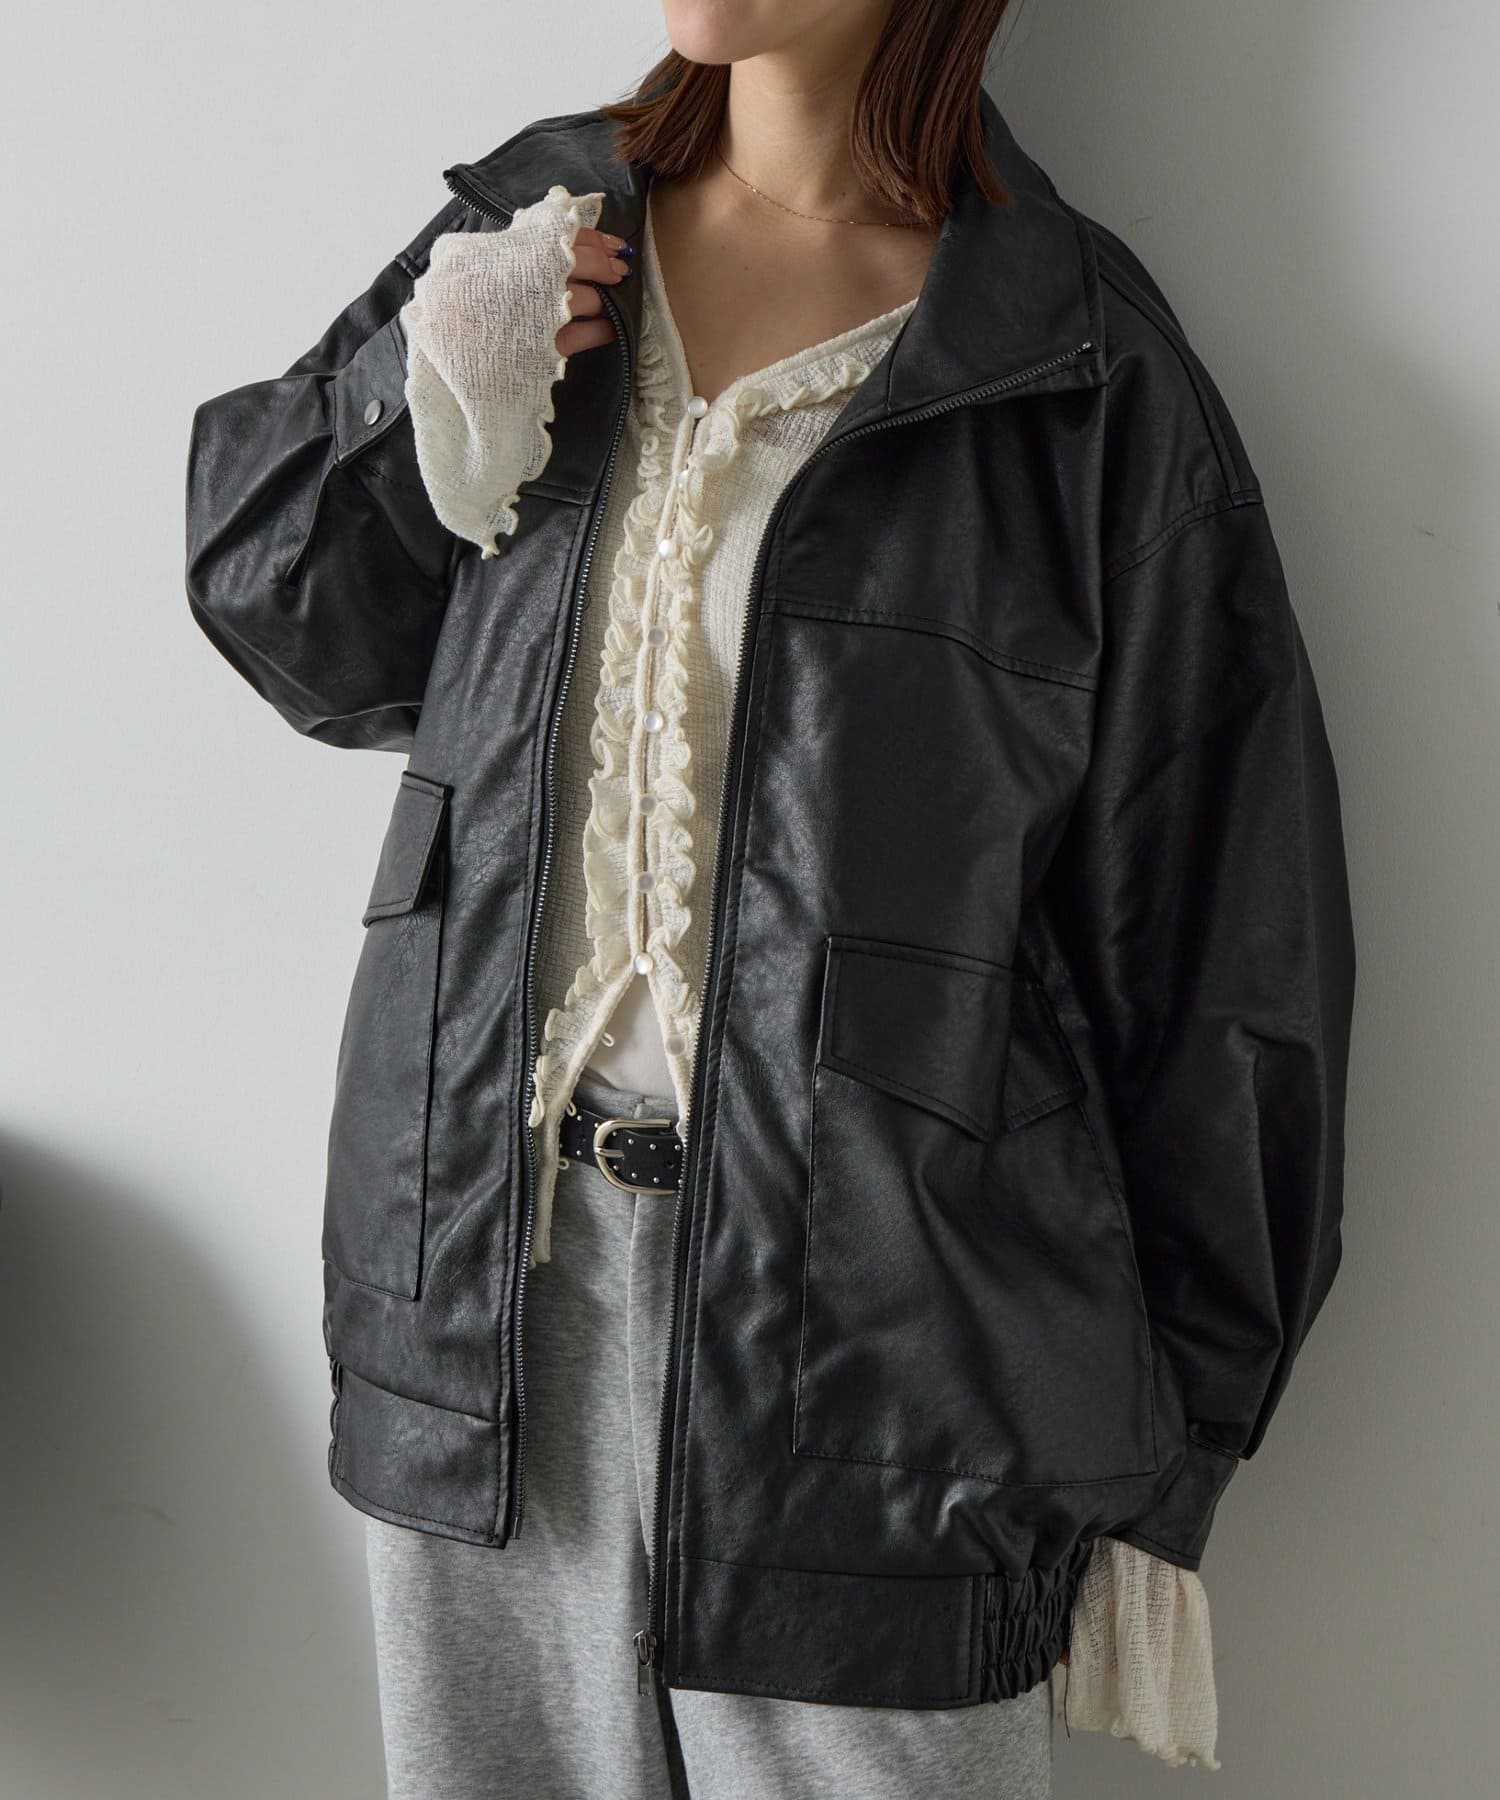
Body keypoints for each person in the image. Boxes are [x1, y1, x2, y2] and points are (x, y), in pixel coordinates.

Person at [184, 1, 1356, 1792]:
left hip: (883, 1362)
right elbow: (293, 629)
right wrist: (402, 406)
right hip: (486, 1289)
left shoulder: (1067, 363)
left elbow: (1221, 950)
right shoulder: (535, 235)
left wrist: (1171, 1465)